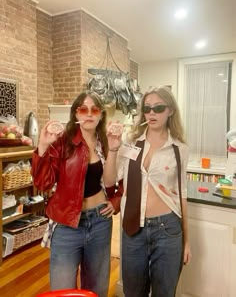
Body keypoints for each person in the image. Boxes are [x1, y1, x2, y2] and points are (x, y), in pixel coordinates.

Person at [31, 91, 122, 297]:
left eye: (94, 110)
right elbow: (43, 183)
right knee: (63, 290)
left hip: (100, 221)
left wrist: (115, 200)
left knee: (96, 289)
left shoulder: (106, 142)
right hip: (66, 225)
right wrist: (43, 145)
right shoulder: (62, 141)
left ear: (100, 115)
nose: (89, 114)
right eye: (83, 109)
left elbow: (116, 180)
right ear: (75, 114)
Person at [106, 86, 192, 297]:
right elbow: (109, 180)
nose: (152, 113)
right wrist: (113, 148)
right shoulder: (130, 142)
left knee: (165, 292)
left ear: (170, 110)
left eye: (158, 108)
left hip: (168, 229)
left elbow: (182, 194)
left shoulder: (179, 149)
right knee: (134, 292)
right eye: (147, 108)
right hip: (133, 228)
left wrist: (187, 241)